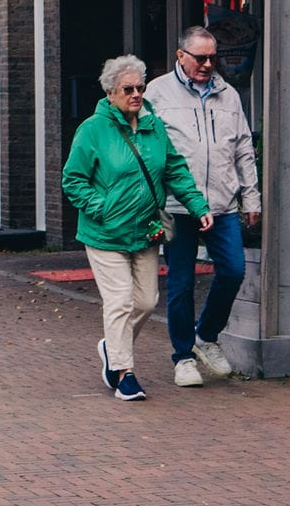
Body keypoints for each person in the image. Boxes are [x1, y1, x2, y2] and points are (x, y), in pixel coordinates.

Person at [59, 52, 209, 403]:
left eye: (140, 87)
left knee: (145, 301)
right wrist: (102, 208)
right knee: (120, 301)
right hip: (105, 233)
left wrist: (198, 206)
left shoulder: (154, 126)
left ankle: (112, 347)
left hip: (145, 230)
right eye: (128, 89)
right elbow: (73, 180)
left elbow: (174, 169)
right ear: (110, 93)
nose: (136, 94)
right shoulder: (93, 130)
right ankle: (123, 373)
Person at [146, 26, 261, 387]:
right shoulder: (157, 93)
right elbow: (145, 150)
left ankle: (205, 335)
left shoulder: (228, 94)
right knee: (180, 283)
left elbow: (243, 147)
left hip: (222, 202)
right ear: (181, 56)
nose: (209, 64)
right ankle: (182, 358)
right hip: (178, 205)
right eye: (201, 57)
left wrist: (251, 196)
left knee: (233, 270)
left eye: (213, 57)